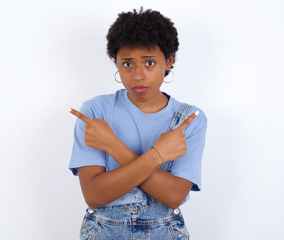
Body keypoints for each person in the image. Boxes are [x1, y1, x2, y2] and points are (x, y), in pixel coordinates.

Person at [68, 7, 207, 239]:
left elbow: (173, 196)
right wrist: (157, 155)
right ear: (117, 64)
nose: (138, 75)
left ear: (169, 60)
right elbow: (94, 194)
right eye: (127, 64)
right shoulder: (95, 112)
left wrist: (113, 145)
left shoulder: (189, 120)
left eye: (150, 63)